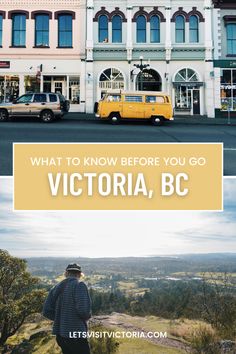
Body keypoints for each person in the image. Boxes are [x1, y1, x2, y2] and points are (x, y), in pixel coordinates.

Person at [43, 263, 91, 354]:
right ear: (79, 274)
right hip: (76, 334)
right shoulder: (79, 285)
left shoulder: (56, 287)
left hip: (61, 334)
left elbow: (46, 311)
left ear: (66, 273)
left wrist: (60, 319)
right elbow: (84, 312)